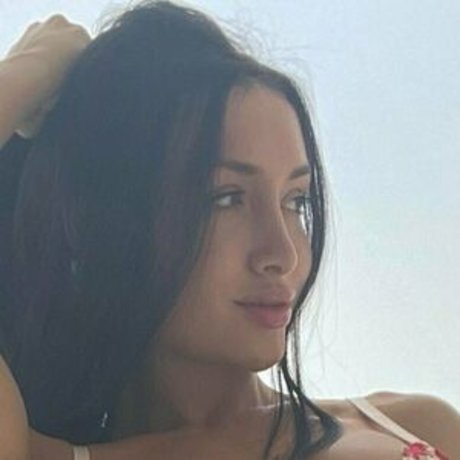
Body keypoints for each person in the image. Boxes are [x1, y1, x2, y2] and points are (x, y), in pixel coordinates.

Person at [0, 2, 458, 459]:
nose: (283, 253)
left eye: (296, 201)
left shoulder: (417, 421)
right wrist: (27, 71)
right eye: (227, 198)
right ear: (103, 223)